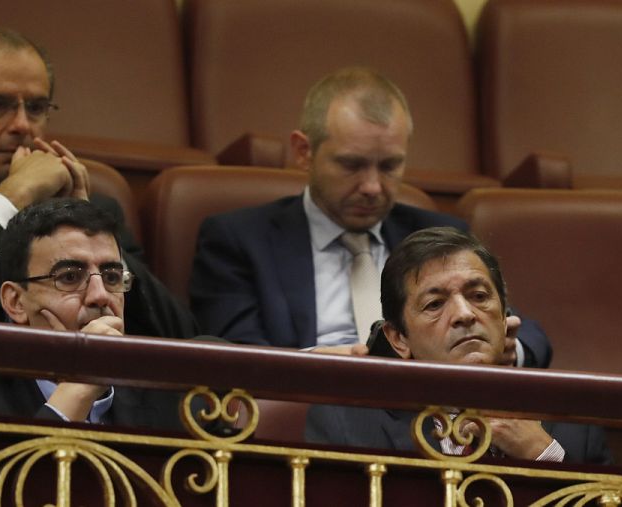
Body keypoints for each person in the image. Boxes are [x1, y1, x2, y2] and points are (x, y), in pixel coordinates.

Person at [190, 67, 550, 366]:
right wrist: (317, 364)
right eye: (352, 164)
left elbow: (528, 333)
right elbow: (233, 358)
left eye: (390, 166)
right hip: (304, 422)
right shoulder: (238, 239)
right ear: (304, 152)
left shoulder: (437, 233)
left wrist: (505, 348)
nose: (373, 187)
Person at [0, 28, 193, 339]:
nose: (22, 125)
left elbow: (177, 337)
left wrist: (85, 228)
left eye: (37, 108)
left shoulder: (100, 211)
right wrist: (14, 195)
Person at [305, 227, 611, 464]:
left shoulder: (574, 422)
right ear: (399, 338)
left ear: (505, 316)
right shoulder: (348, 426)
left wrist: (543, 455)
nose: (465, 314)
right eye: (435, 304)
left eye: (479, 296)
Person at [0, 198, 185, 427]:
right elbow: (4, 479)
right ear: (16, 302)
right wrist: (78, 389)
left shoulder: (165, 392)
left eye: (111, 277)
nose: (100, 295)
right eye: (70, 277)